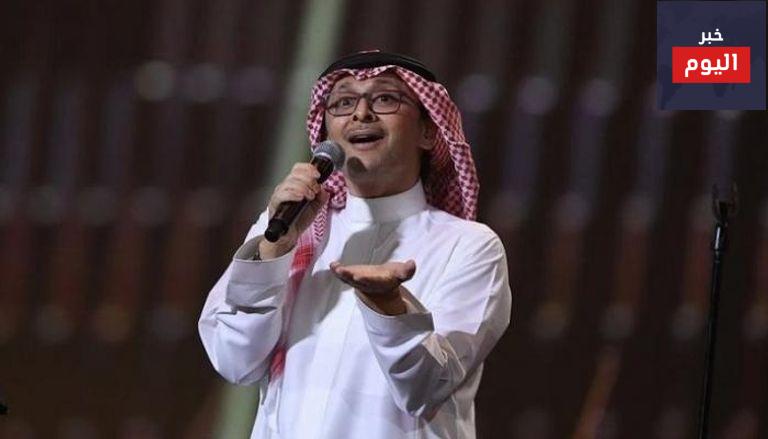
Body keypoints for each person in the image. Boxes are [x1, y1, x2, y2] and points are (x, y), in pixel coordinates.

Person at [199, 51, 512, 439]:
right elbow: (233, 360)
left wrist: (390, 307)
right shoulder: (286, 227)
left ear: (428, 131)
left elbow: (427, 387)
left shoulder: (469, 246)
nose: (361, 114)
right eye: (343, 102)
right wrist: (274, 253)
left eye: (385, 98)